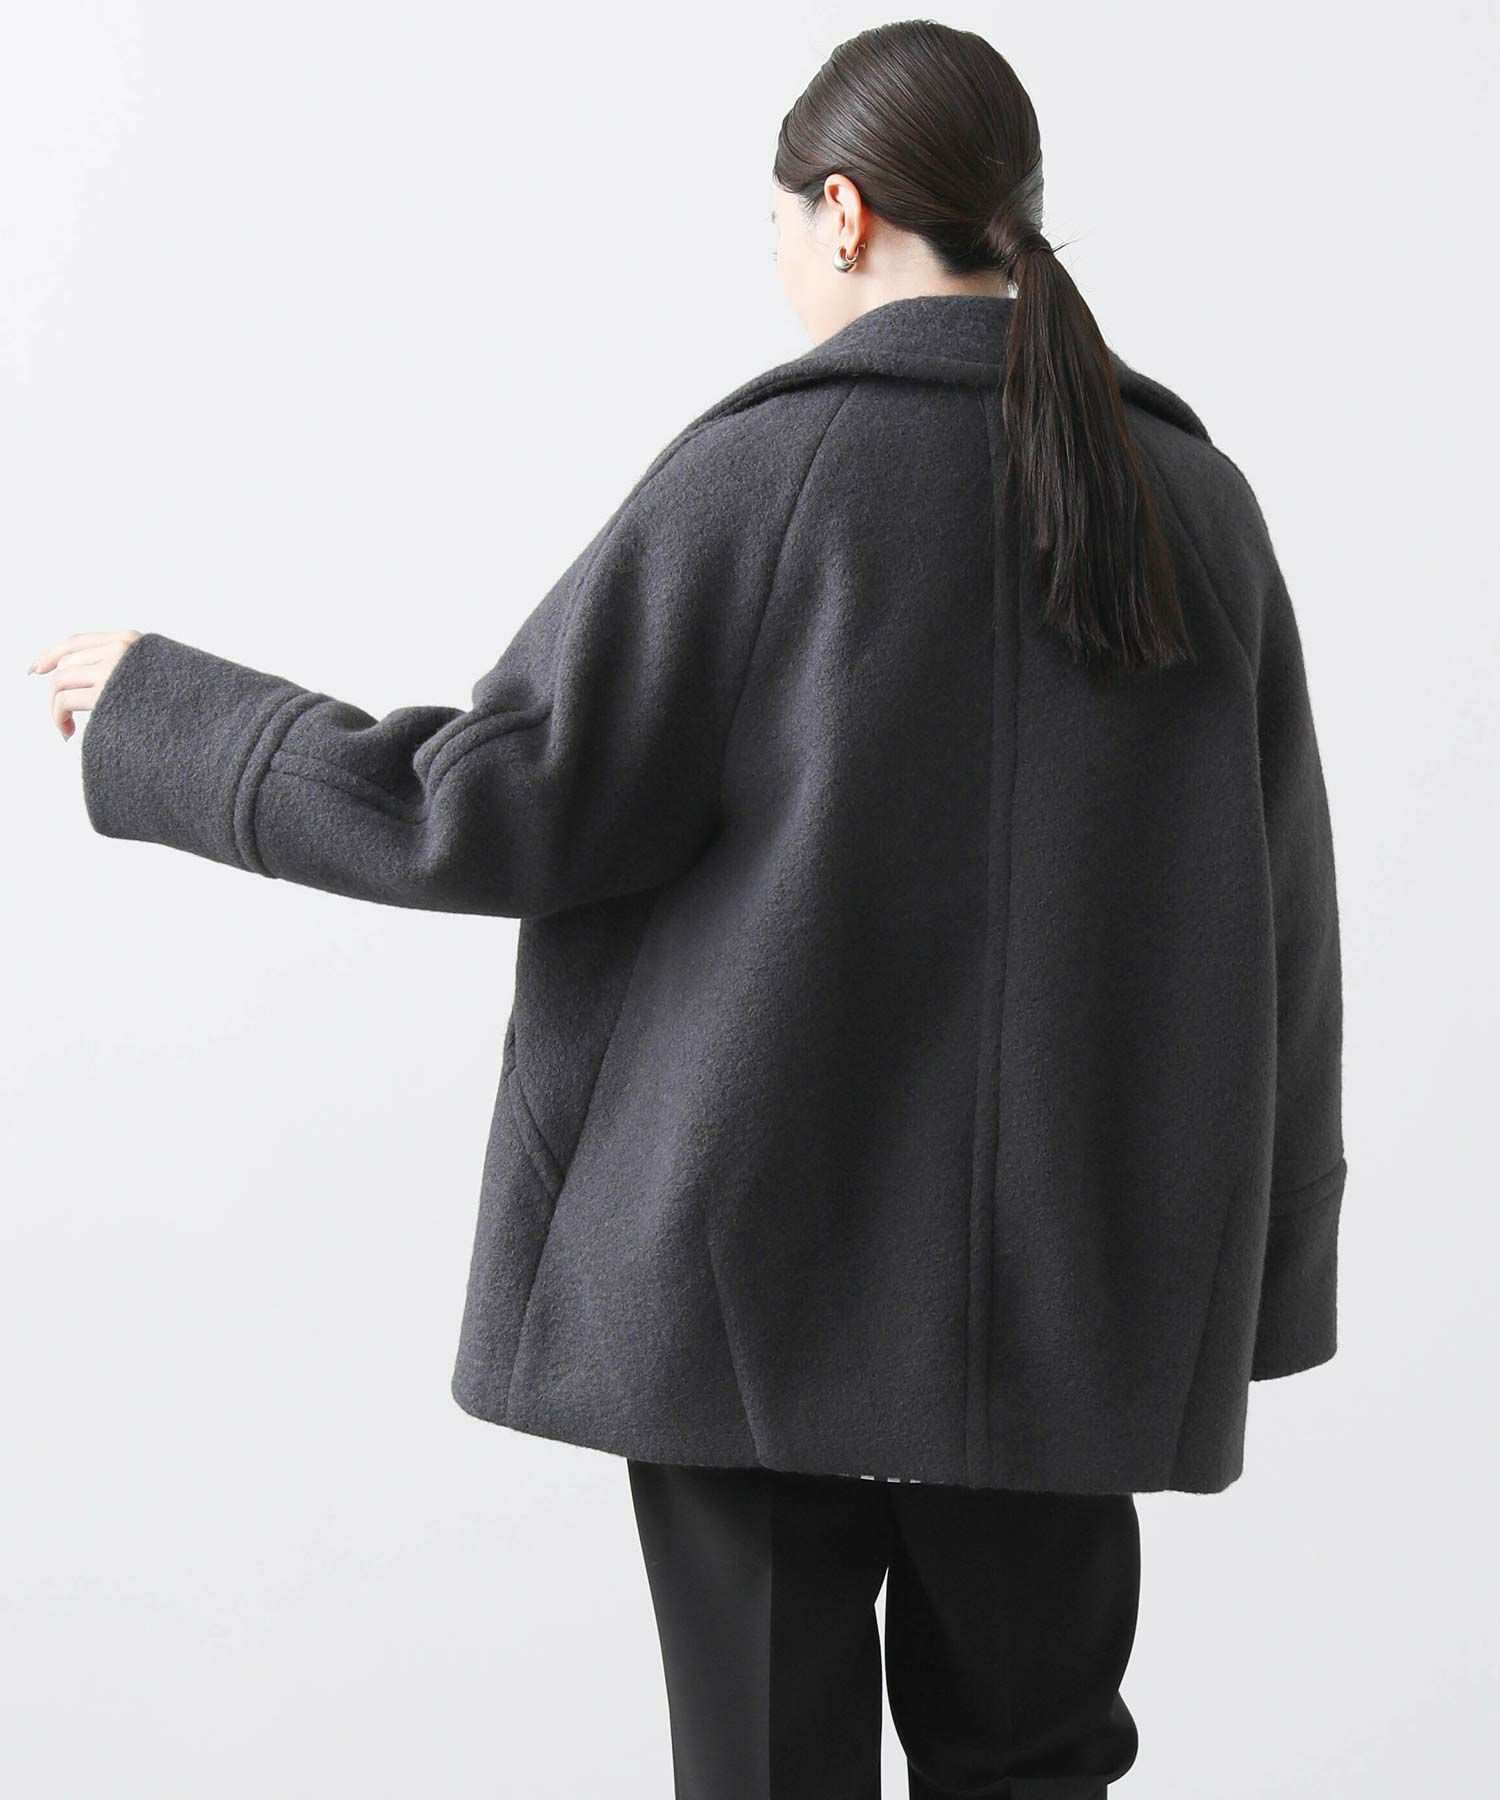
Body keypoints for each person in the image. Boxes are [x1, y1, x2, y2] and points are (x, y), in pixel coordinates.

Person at [29, 19, 1346, 1798]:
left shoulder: (769, 474)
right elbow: (1282, 931)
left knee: (765, 1774)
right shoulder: (1193, 503)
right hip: (1079, 1293)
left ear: (845, 211)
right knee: (1039, 1769)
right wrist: (1261, 1280)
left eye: (784, 225)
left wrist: (179, 721)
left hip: (743, 1295)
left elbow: (496, 803)